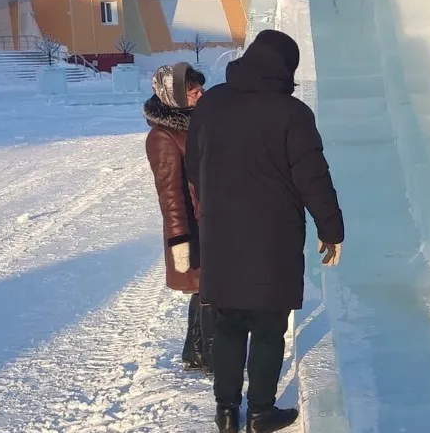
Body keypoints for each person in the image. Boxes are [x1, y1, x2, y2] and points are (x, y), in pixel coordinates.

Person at [186, 29, 345, 433]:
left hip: (220, 237)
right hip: (272, 242)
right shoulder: (291, 114)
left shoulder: (212, 104)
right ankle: (259, 413)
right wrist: (332, 230)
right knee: (269, 330)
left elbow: (193, 167)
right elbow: (313, 179)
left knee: (227, 326)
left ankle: (225, 413)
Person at [144, 62, 216, 373]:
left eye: (201, 89)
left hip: (210, 221)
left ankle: (194, 352)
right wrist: (180, 243)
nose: (201, 95)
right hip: (192, 227)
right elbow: (170, 196)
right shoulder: (163, 137)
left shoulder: (197, 123)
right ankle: (215, 358)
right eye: (192, 92)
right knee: (214, 292)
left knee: (205, 290)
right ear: (174, 97)